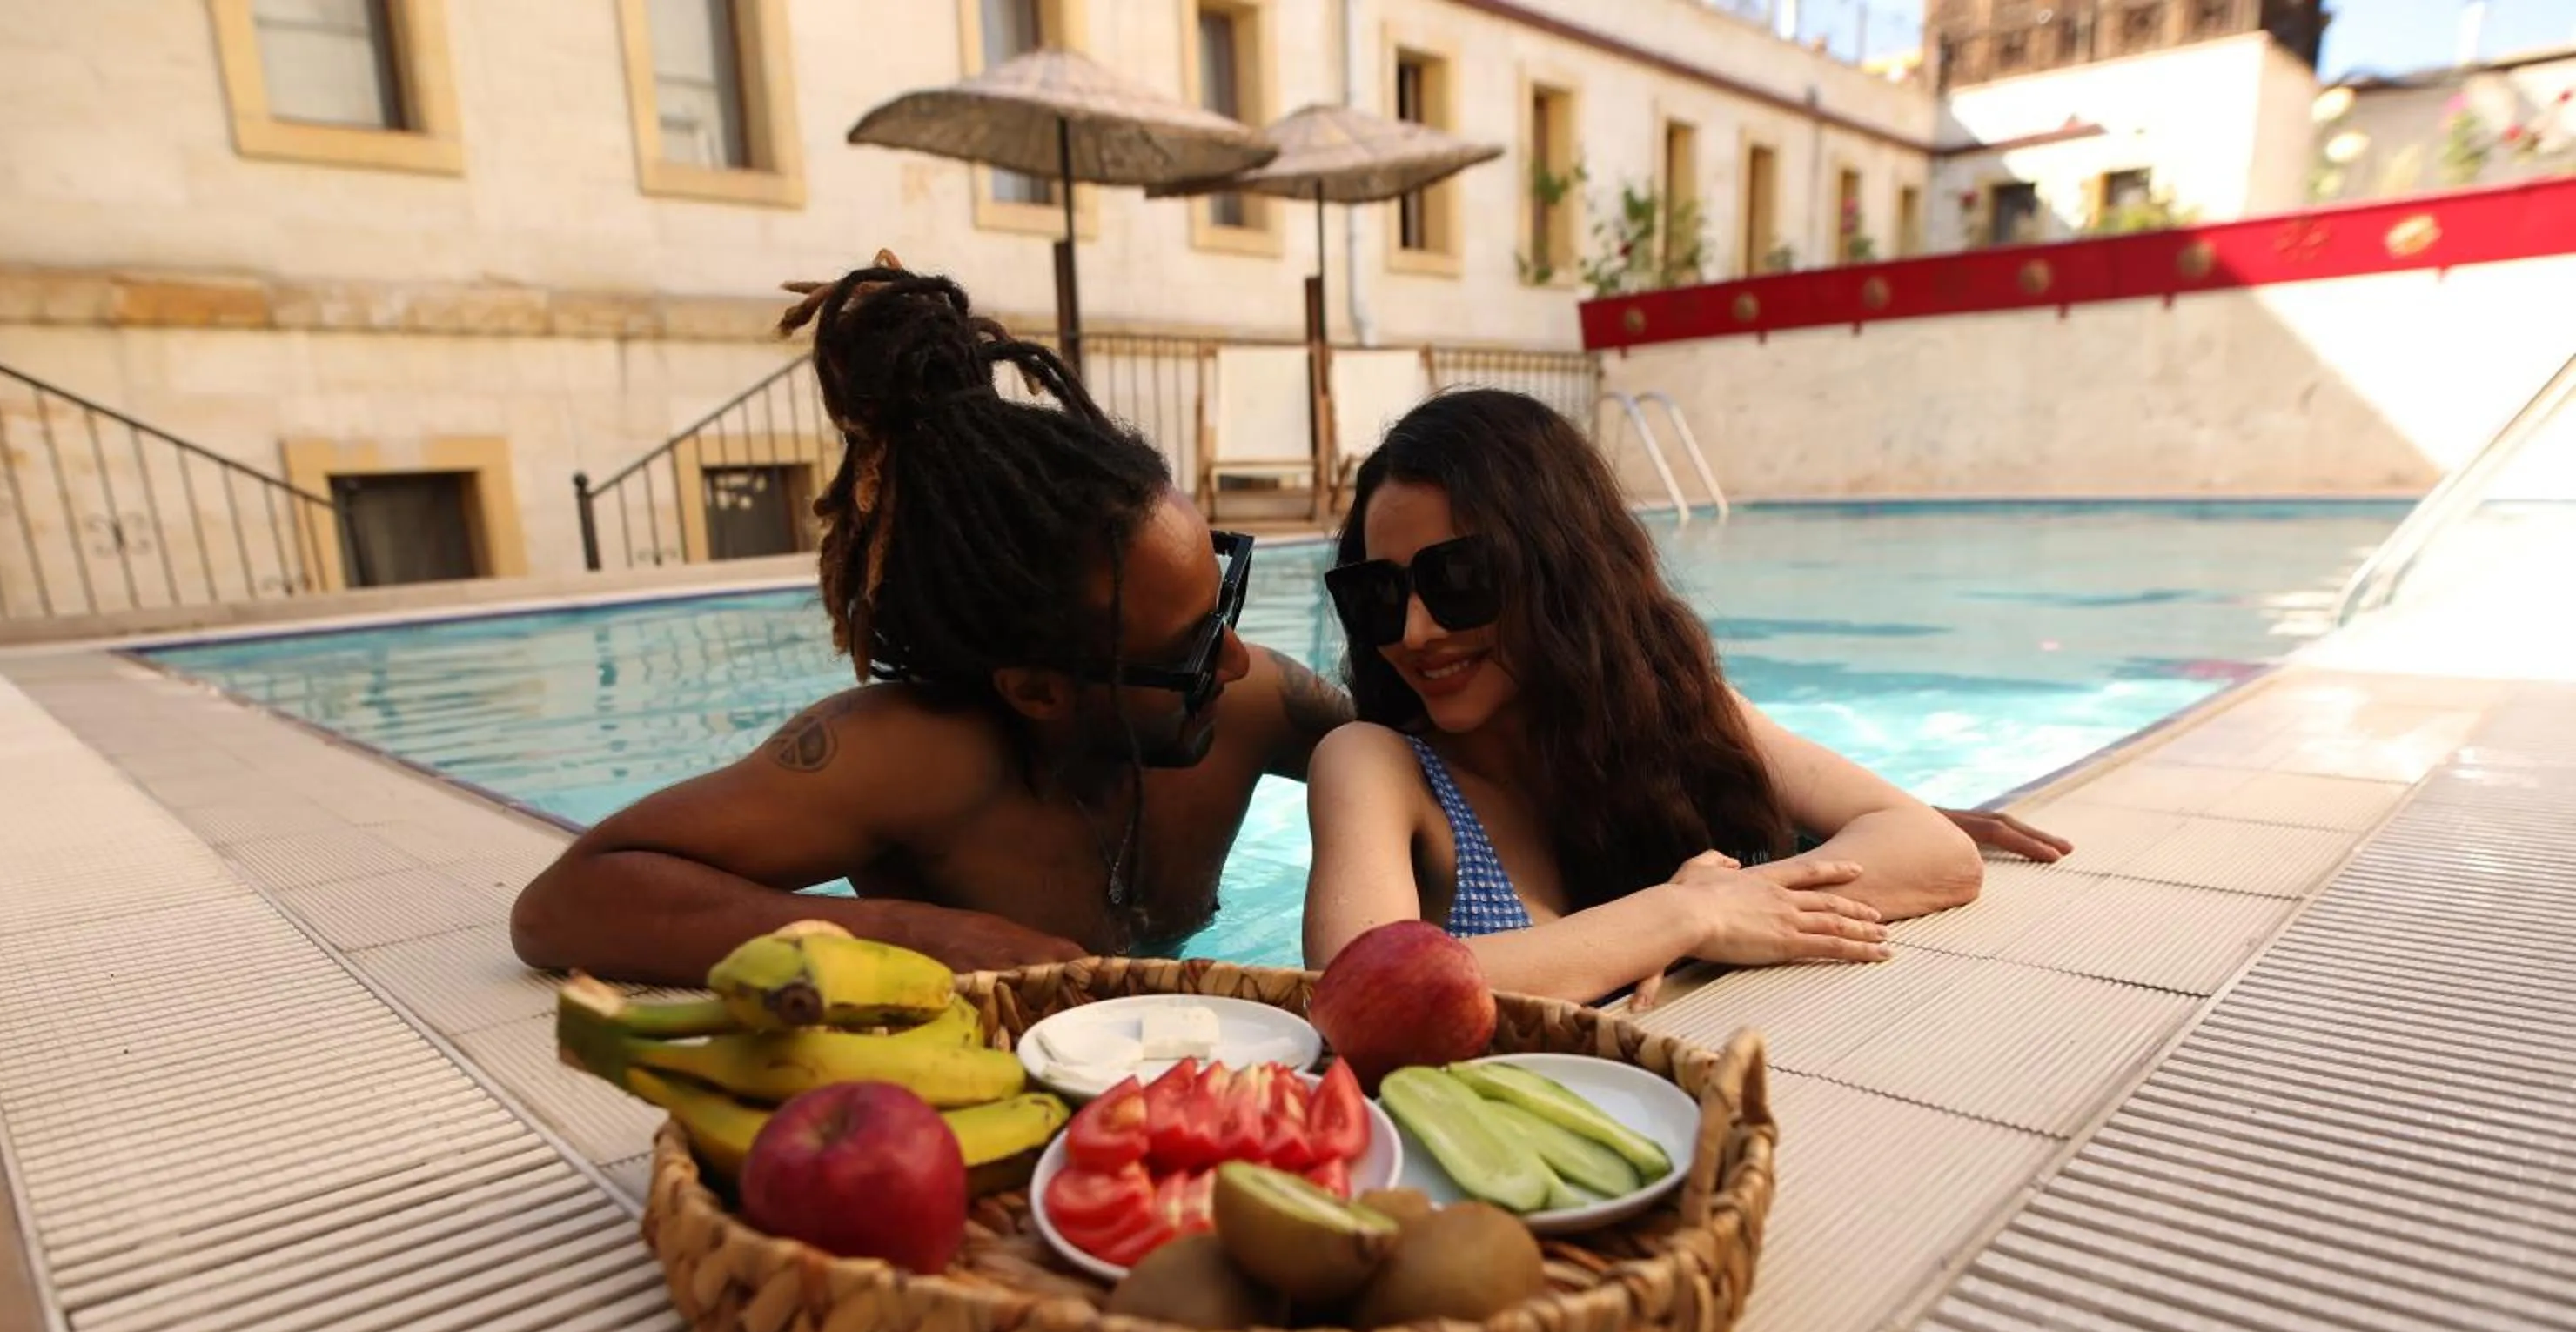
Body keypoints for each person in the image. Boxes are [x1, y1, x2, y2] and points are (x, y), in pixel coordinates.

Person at [511, 258, 1354, 983]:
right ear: (1036, 690)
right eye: (1193, 647)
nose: (1237, 661)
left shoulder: (1254, 707)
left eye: (1222, 607)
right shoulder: (914, 760)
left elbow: (1413, 753)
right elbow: (561, 906)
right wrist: (908, 933)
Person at [1303, 388, 2063, 1011]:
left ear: (1564, 574)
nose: (1415, 631)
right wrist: (1684, 915)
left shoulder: (1679, 716)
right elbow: (1359, 988)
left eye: (1460, 579)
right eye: (1378, 594)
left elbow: (1936, 851)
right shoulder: (1377, 766)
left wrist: (1731, 904)